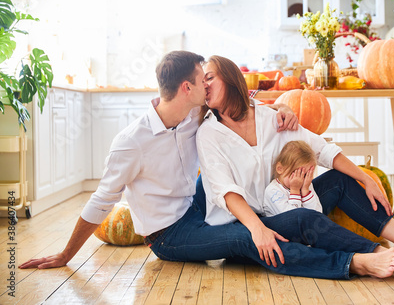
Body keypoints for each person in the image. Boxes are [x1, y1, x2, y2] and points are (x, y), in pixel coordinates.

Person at [19, 50, 299, 270]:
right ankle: (330, 260)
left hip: (193, 204)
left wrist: (281, 105)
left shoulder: (194, 113)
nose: (208, 85)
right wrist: (66, 254)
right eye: (204, 80)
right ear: (187, 88)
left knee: (229, 175)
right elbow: (100, 201)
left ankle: (267, 214)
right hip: (168, 235)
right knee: (243, 236)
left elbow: (238, 99)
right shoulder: (131, 143)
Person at [197, 54, 394, 280]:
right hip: (248, 227)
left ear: (230, 77)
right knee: (304, 217)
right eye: (201, 81)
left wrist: (366, 179)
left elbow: (322, 150)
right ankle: (389, 257)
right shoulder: (208, 133)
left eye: (209, 77)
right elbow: (225, 190)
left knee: (339, 180)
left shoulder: (270, 118)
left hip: (284, 202)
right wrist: (258, 229)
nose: (204, 86)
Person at [263, 140, 322, 217]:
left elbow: (318, 214)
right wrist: (295, 190)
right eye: (297, 173)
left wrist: (305, 192)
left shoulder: (305, 185)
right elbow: (294, 218)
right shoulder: (273, 191)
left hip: (304, 225)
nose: (300, 180)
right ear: (280, 169)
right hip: (279, 226)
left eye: (306, 175)